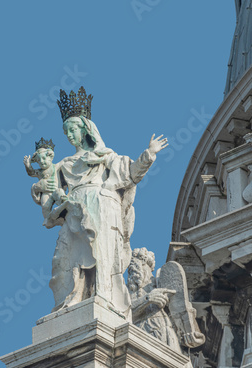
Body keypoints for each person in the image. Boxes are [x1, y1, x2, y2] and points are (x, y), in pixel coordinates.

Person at [45, 87, 168, 315]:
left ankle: (104, 297)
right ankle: (73, 299)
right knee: (64, 261)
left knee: (102, 257)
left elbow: (130, 174)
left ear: (85, 129)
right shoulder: (63, 165)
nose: (69, 136)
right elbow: (49, 194)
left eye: (72, 130)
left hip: (102, 208)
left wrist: (149, 154)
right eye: (66, 132)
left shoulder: (105, 156)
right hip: (74, 212)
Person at [24, 138, 67, 225]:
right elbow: (31, 173)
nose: (42, 162)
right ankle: (50, 219)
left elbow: (66, 163)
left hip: (56, 190)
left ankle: (66, 206)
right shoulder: (39, 172)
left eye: (44, 158)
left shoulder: (57, 166)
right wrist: (28, 166)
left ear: (50, 157)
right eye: (39, 160)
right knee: (45, 206)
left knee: (60, 194)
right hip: (46, 193)